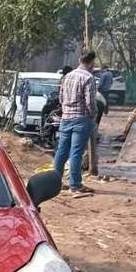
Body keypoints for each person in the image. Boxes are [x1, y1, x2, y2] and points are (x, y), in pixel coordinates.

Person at [52, 51, 98, 194]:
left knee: (62, 151)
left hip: (66, 118)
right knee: (76, 153)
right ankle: (75, 185)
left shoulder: (68, 76)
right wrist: (93, 116)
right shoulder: (89, 77)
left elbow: (60, 98)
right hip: (81, 119)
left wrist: (67, 110)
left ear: (80, 60)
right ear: (91, 62)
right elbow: (90, 102)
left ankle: (55, 183)